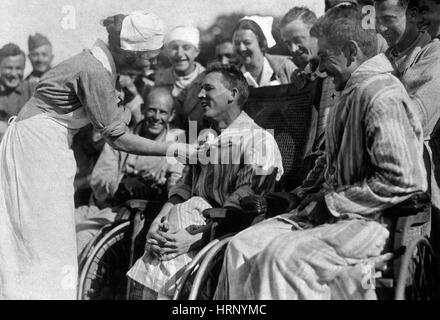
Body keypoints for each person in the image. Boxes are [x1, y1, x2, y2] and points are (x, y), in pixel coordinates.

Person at [214, 5, 427, 300]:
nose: (321, 67)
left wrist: (331, 204)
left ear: (352, 52)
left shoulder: (382, 95)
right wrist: (300, 194)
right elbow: (330, 162)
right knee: (242, 246)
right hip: (333, 217)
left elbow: (404, 179)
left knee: (281, 258)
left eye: (326, 56)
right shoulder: (350, 91)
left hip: (372, 223)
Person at [0, 12, 194, 300]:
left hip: (43, 144)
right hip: (38, 148)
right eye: (150, 57)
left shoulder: (98, 64)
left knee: (46, 235)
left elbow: (116, 118)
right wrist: (177, 148)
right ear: (130, 52)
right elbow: (119, 139)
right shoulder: (94, 70)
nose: (154, 63)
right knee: (43, 236)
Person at [127, 64, 284, 300]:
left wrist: (194, 238)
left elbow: (246, 210)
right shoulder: (205, 138)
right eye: (200, 88)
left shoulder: (258, 140)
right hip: (185, 226)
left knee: (166, 253)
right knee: (162, 240)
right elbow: (185, 184)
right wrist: (160, 217)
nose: (200, 95)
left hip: (222, 234)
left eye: (208, 88)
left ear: (233, 94)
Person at [75, 87, 185, 257]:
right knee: (57, 228)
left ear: (171, 115)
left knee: (80, 239)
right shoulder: (122, 136)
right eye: (152, 110)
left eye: (162, 112)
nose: (156, 117)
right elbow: (99, 178)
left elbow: (177, 184)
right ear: (142, 110)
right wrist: (122, 183)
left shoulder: (177, 141)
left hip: (136, 216)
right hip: (105, 205)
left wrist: (159, 188)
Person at [278, 6, 338, 199]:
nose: (293, 49)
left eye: (298, 40)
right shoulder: (305, 74)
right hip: (312, 169)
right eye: (288, 44)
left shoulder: (338, 69)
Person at [155, 26, 206, 129]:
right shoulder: (159, 79)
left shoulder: (208, 78)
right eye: (174, 48)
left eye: (186, 48)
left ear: (196, 51)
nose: (179, 54)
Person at [232, 15, 297, 88]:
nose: (241, 48)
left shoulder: (284, 66)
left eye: (247, 43)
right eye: (237, 43)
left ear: (261, 43)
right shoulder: (232, 77)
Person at [374, 0, 431, 76]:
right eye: (377, 21)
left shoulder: (431, 54)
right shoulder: (386, 56)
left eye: (388, 20)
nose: (381, 29)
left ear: (413, 15)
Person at [0, 43, 35, 117]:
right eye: (8, 68)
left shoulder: (32, 90)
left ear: (24, 68)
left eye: (18, 68)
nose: (13, 74)